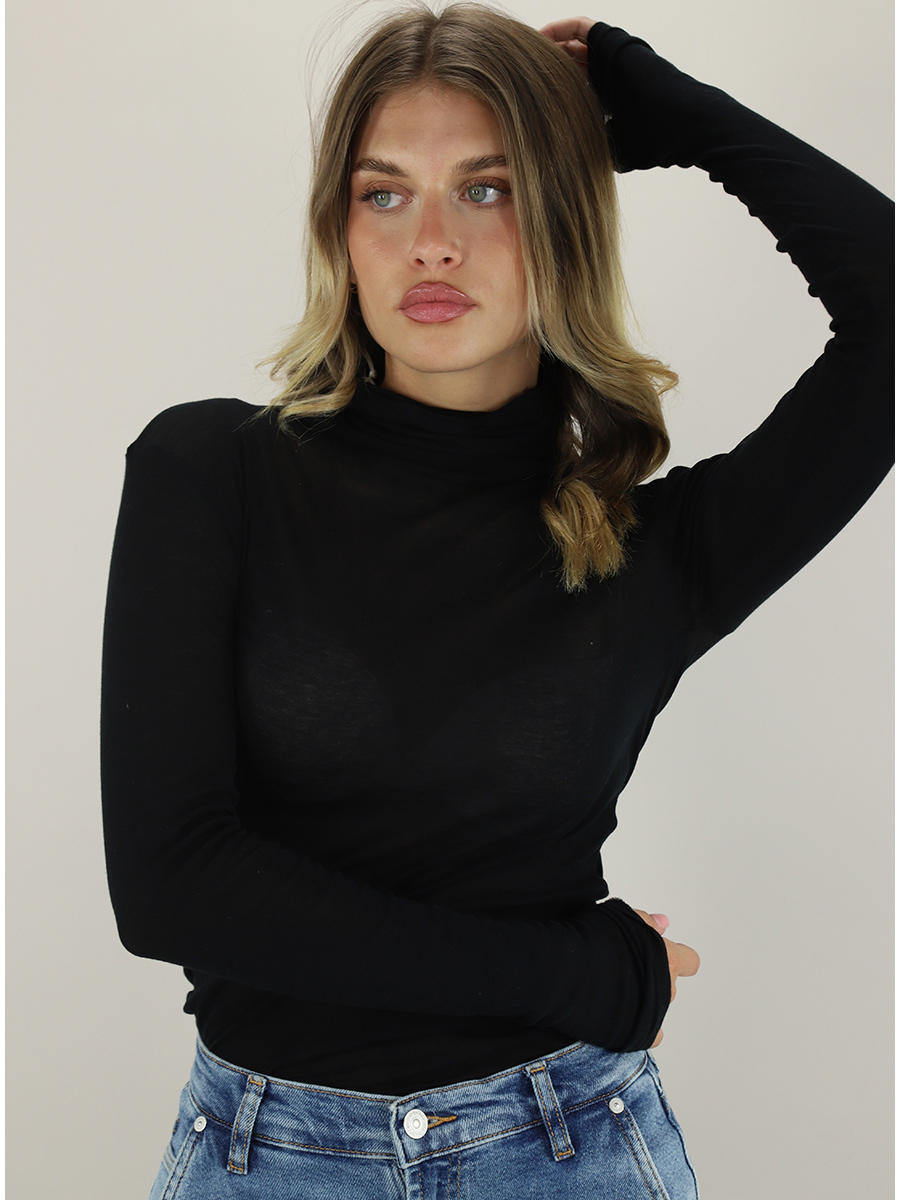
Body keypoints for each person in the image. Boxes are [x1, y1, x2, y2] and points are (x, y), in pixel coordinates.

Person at [100, 4, 893, 1198]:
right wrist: (581, 975)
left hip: (568, 1148)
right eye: (383, 193)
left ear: (566, 218)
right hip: (267, 1157)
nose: (430, 242)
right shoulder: (209, 473)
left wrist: (672, 113)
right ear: (338, 230)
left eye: (489, 189)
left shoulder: (654, 552)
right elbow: (172, 888)